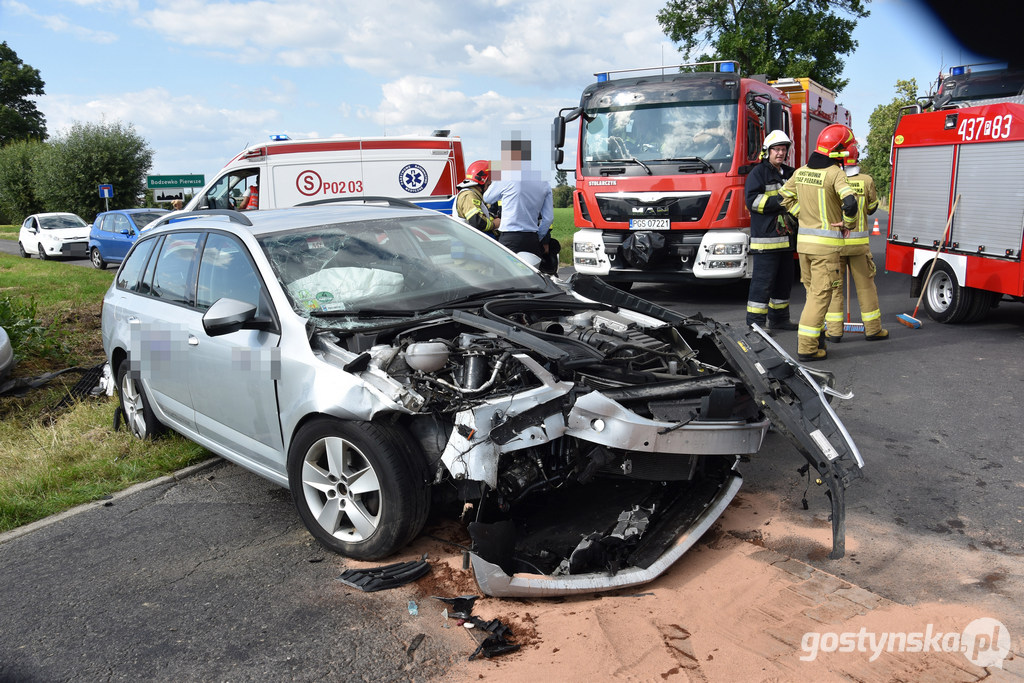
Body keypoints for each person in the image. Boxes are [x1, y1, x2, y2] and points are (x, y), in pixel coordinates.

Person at [779, 124, 859, 362]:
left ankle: (819, 338)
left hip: (803, 246)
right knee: (820, 296)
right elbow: (851, 203)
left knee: (812, 294)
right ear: (837, 151)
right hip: (826, 248)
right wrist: (848, 223)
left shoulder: (801, 171)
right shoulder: (835, 173)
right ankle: (807, 347)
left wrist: (801, 212)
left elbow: (783, 197)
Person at [824, 143, 888, 342]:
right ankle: (873, 329)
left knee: (835, 289)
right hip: (859, 244)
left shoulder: (832, 178)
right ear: (856, 159)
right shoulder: (867, 180)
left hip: (836, 243)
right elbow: (872, 208)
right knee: (866, 287)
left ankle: (833, 332)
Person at [745, 130, 797, 333]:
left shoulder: (790, 173)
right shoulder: (758, 173)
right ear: (767, 151)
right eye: (777, 149)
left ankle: (779, 319)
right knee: (762, 283)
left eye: (784, 149)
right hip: (766, 240)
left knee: (783, 284)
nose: (781, 153)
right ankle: (755, 322)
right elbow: (753, 202)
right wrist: (781, 201)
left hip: (786, 240)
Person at [483, 138, 556, 273]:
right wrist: (538, 237)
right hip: (532, 239)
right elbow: (548, 218)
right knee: (532, 279)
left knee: (503, 278)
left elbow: (487, 197)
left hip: (510, 238)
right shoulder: (544, 182)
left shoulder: (507, 176)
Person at [455, 160, 499, 236]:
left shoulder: (474, 194)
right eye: (489, 181)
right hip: (469, 243)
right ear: (483, 180)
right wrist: (494, 224)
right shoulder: (468, 195)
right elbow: (477, 222)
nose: (491, 183)